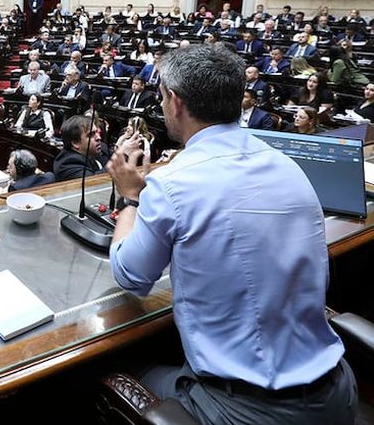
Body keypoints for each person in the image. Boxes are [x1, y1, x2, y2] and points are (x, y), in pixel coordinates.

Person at [105, 43, 354, 424]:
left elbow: (131, 277)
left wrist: (131, 197)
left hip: (246, 410)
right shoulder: (286, 164)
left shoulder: (172, 183)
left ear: (174, 101)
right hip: (336, 391)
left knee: (103, 368)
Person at [53, 114, 108, 181]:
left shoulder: (99, 149)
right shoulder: (68, 164)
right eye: (91, 134)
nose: (98, 137)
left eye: (97, 132)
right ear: (75, 143)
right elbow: (92, 183)